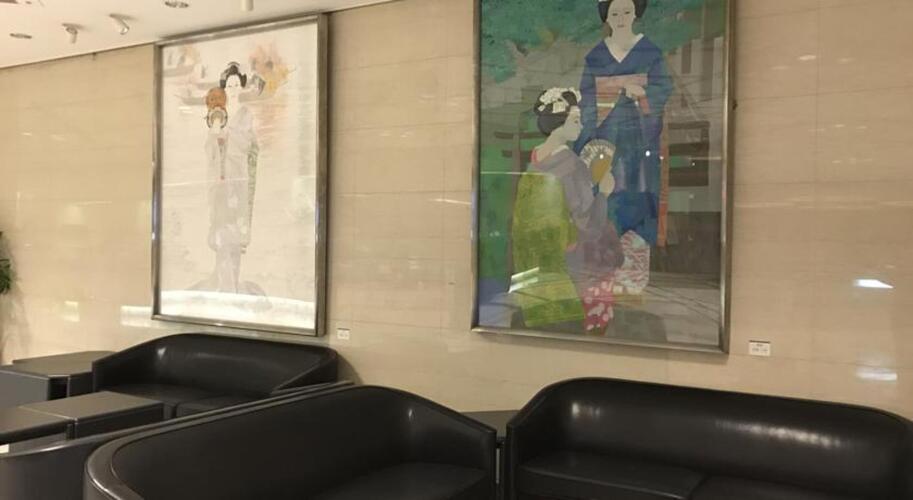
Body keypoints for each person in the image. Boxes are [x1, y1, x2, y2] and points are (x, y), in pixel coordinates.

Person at [513, 87, 624, 332]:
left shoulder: (534, 164)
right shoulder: (573, 165)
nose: (581, 126)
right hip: (573, 263)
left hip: (536, 262)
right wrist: (603, 194)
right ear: (558, 123)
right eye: (575, 120)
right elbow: (589, 225)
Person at [575, 0, 673, 256]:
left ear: (635, 14)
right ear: (606, 17)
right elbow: (586, 98)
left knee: (640, 187)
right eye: (614, 13)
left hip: (640, 136)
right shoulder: (596, 56)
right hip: (604, 134)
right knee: (605, 189)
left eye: (626, 11)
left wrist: (642, 92)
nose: (620, 18)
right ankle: (602, 254)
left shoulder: (650, 51)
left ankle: (637, 249)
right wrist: (595, 120)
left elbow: (663, 88)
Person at [200, 62, 260, 294]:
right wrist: (216, 133)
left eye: (236, 85)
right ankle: (223, 282)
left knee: (234, 228)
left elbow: (247, 143)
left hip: (238, 176)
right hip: (220, 179)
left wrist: (227, 134)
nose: (233, 89)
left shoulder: (244, 114)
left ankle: (231, 283)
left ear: (241, 86)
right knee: (221, 226)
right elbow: (210, 145)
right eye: (229, 85)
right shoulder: (218, 113)